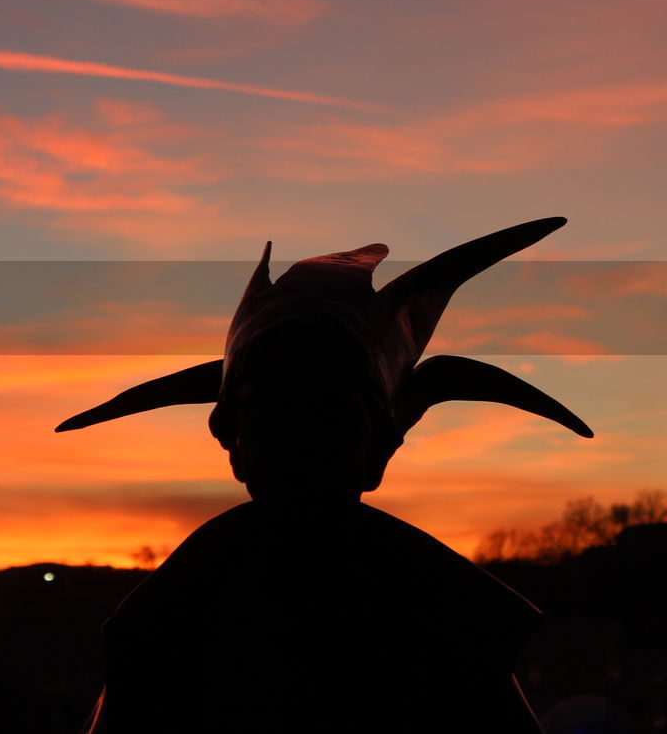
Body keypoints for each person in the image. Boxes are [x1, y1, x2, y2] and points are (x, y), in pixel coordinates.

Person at [58, 218, 593, 733]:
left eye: (330, 412)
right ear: (231, 438)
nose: (302, 440)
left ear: (379, 446)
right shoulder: (166, 622)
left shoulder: (445, 617)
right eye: (274, 411)